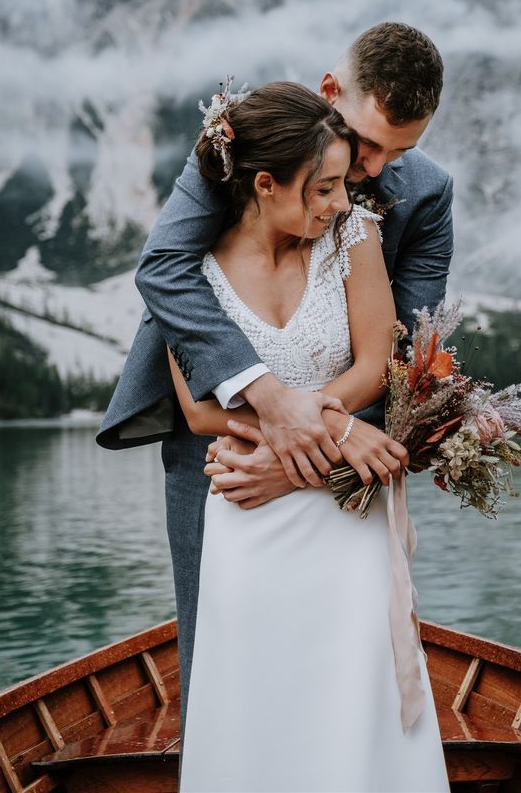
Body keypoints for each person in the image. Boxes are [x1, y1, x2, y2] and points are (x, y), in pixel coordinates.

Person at [96, 22, 454, 746]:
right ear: (331, 94)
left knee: (349, 674)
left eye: (400, 151)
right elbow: (165, 268)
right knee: (218, 656)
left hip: (346, 457)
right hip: (218, 448)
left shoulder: (423, 196)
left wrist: (310, 450)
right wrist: (270, 404)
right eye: (367, 143)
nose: (375, 170)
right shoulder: (244, 148)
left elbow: (403, 351)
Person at [171, 80, 449, 791]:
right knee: (256, 705)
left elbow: (375, 362)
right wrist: (336, 431)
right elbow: (199, 411)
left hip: (341, 511)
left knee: (355, 699)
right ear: (265, 185)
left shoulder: (352, 235)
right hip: (245, 515)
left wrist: (310, 442)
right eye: (322, 189)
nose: (337, 203)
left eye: (338, 186)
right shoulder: (188, 271)